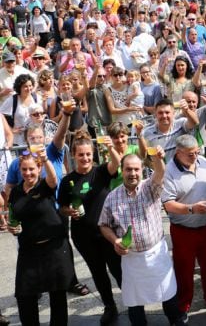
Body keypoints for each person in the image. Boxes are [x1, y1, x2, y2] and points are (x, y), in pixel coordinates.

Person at [98, 150, 187, 326]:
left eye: (136, 169)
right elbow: (104, 224)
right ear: (122, 170)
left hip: (156, 254)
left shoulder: (150, 188)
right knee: (134, 301)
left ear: (142, 170)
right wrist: (115, 240)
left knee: (168, 295)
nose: (133, 173)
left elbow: (160, 173)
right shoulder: (112, 197)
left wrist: (158, 159)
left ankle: (176, 320)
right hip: (132, 260)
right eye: (128, 169)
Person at [58, 131, 121, 325]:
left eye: (88, 154)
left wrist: (110, 147)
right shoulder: (67, 180)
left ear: (93, 154)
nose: (85, 158)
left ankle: (134, 304)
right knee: (98, 273)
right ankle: (110, 307)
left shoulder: (101, 172)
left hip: (107, 233)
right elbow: (62, 207)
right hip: (83, 236)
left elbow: (117, 163)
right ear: (73, 155)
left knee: (118, 270)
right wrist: (70, 211)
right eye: (80, 154)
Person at [161, 135, 206, 317]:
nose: (195, 156)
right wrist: (191, 209)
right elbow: (168, 204)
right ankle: (184, 304)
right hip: (183, 230)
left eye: (197, 152)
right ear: (178, 152)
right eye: (190, 154)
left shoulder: (203, 161)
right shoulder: (169, 171)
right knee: (184, 270)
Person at [7, 149, 72, 325]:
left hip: (53, 248)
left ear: (39, 168)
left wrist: (45, 160)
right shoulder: (16, 191)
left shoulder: (44, 186)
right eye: (24, 169)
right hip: (28, 249)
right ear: (19, 170)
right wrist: (12, 228)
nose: (28, 173)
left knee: (57, 295)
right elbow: (14, 218)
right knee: (24, 294)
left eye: (31, 169)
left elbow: (53, 179)